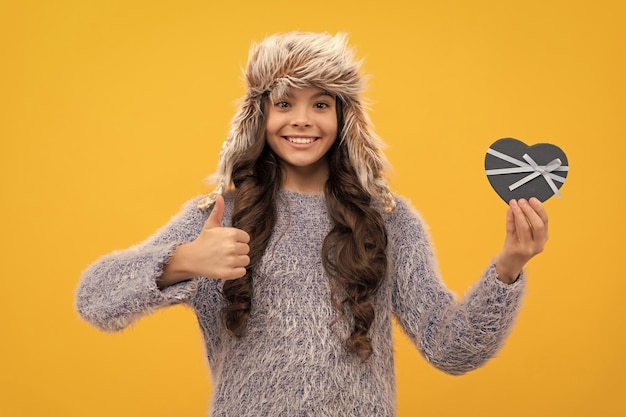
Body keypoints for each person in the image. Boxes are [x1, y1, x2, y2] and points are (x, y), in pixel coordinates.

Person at [76, 32, 548, 416]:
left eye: (321, 104)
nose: (302, 120)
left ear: (344, 118)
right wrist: (181, 262)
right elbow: (95, 299)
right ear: (259, 117)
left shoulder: (389, 221)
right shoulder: (219, 218)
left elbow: (452, 349)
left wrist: (508, 267)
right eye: (284, 103)